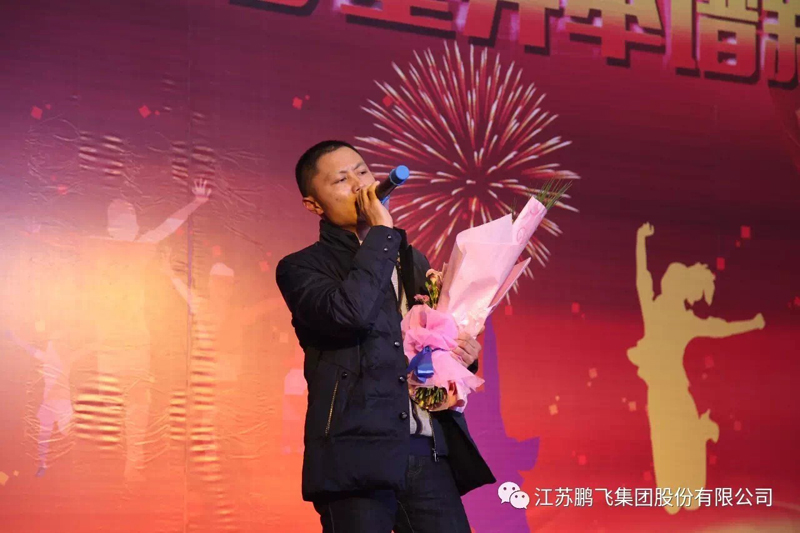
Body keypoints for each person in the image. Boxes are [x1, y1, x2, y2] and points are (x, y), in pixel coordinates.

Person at [276, 140, 495, 532]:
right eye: (341, 180)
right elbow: (349, 314)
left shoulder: (411, 260)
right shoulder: (301, 267)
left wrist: (461, 354)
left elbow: (428, 341)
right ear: (313, 204)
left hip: (425, 450)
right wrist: (381, 232)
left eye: (362, 171)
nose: (360, 185)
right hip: (354, 456)